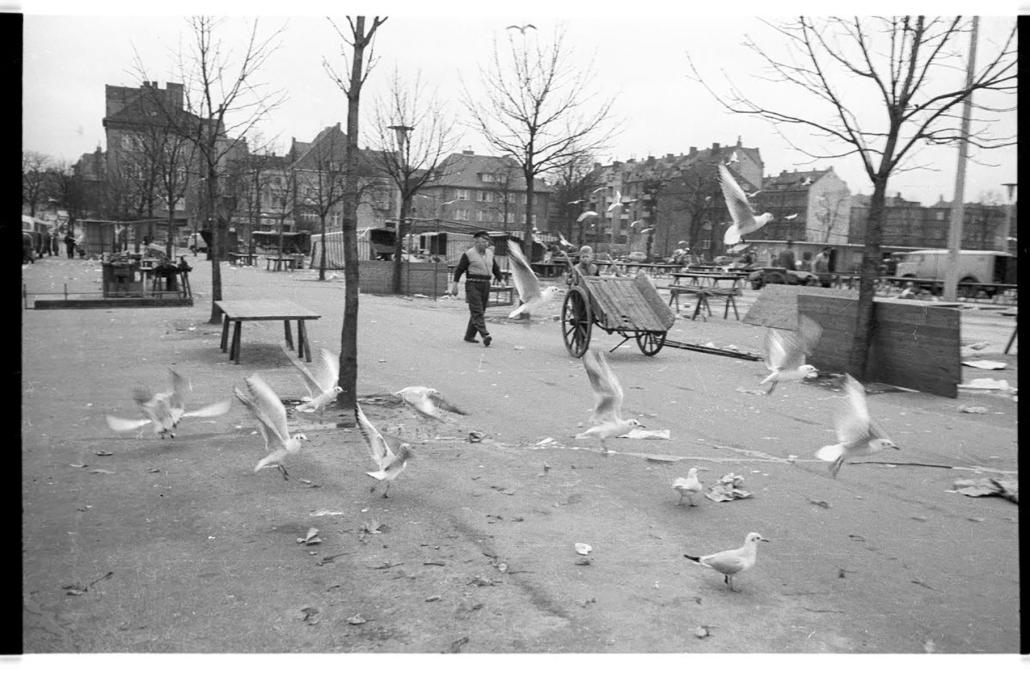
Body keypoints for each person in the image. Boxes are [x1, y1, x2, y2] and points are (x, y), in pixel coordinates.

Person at [450, 231, 503, 347]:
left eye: (487, 241)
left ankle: (469, 336)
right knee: (477, 310)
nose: (486, 244)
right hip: (473, 284)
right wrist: (455, 285)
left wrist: (501, 279)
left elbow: (495, 268)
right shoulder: (468, 254)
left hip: (486, 285)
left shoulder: (489, 253)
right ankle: (485, 335)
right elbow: (459, 270)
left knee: (480, 311)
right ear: (477, 242)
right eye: (483, 241)